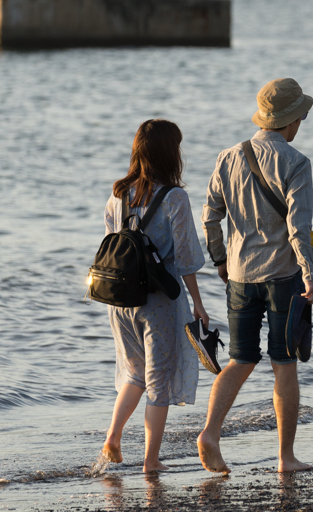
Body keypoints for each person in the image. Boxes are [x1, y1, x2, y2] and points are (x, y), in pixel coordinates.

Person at [199, 78, 313, 474]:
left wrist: (220, 259)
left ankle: (210, 434)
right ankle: (286, 458)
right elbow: (298, 230)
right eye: (301, 114)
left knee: (239, 359)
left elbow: (209, 216)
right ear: (293, 120)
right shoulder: (297, 163)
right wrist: (310, 275)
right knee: (284, 363)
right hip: (282, 277)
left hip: (238, 276)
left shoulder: (228, 156)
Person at [100, 119, 209, 473]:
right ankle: (151, 461)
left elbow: (112, 243)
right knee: (158, 380)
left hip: (120, 300)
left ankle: (113, 438)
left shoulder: (118, 194)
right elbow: (187, 256)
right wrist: (198, 302)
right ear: (169, 153)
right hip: (158, 301)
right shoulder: (174, 197)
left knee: (134, 373)